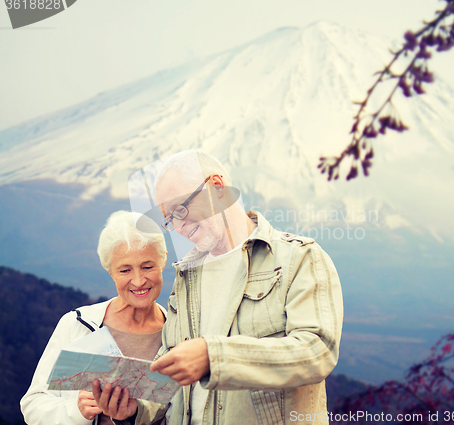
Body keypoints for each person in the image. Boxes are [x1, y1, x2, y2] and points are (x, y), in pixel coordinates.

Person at [93, 150, 343, 425]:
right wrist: (134, 410)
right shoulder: (186, 278)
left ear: (217, 187)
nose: (178, 227)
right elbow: (171, 382)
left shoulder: (298, 258)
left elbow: (317, 352)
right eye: (169, 219)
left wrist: (215, 357)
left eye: (181, 210)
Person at [21, 211, 168, 425]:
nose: (138, 281)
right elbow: (33, 405)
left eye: (147, 267)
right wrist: (77, 411)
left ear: (163, 261)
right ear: (110, 271)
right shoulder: (77, 325)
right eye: (125, 270)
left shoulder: (178, 332)